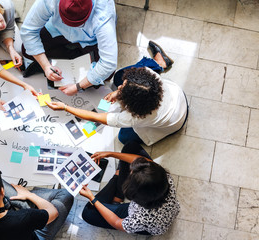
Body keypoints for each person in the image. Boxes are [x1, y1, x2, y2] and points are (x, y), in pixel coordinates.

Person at [46, 41, 188, 146]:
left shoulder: (134, 118)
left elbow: (97, 116)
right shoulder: (150, 76)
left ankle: (160, 64)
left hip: (176, 120)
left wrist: (65, 107)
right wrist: (120, 92)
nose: (119, 87)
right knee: (120, 75)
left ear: (132, 105)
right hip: (177, 96)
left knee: (124, 137)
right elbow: (127, 84)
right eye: (123, 86)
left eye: (122, 90)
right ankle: (161, 63)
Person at [79, 141, 180, 235]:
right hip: (157, 206)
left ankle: (117, 184)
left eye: (131, 177)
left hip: (146, 222)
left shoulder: (141, 217)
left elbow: (117, 222)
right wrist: (110, 154)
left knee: (88, 212)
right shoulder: (164, 177)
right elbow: (146, 163)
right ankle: (117, 192)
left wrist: (92, 198)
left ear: (135, 196)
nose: (129, 171)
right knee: (130, 147)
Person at [20, 0, 117, 96]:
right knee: (26, 49)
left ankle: (69, 57)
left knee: (108, 74)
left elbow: (108, 63)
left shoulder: (103, 16)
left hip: (89, 41)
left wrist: (79, 86)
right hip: (56, 31)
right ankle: (76, 58)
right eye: (64, 20)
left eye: (79, 24)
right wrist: (46, 66)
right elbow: (28, 31)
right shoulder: (50, 1)